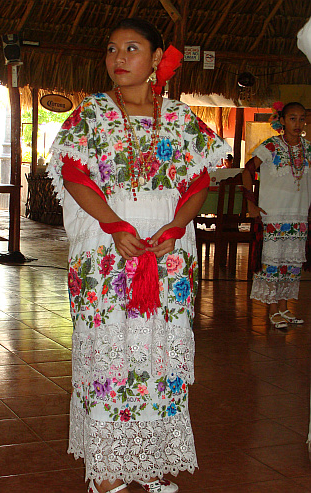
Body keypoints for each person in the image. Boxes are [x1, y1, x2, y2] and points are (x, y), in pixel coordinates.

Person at [48, 18, 230, 493]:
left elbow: (198, 181)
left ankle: (146, 462)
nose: (118, 58)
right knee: (109, 354)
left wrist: (177, 224)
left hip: (166, 254)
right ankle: (108, 469)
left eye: (131, 48)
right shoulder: (91, 114)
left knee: (157, 353)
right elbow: (74, 174)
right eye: (111, 49)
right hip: (109, 254)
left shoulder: (180, 118)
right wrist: (112, 223)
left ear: (156, 59)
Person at [242, 102, 311, 330]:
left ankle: (283, 308)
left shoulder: (308, 149)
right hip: (274, 215)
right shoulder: (271, 146)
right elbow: (248, 170)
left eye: (302, 119)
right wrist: (251, 204)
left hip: (298, 215)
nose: (297, 123)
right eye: (292, 118)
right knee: (273, 264)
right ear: (282, 120)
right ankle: (272, 311)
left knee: (291, 266)